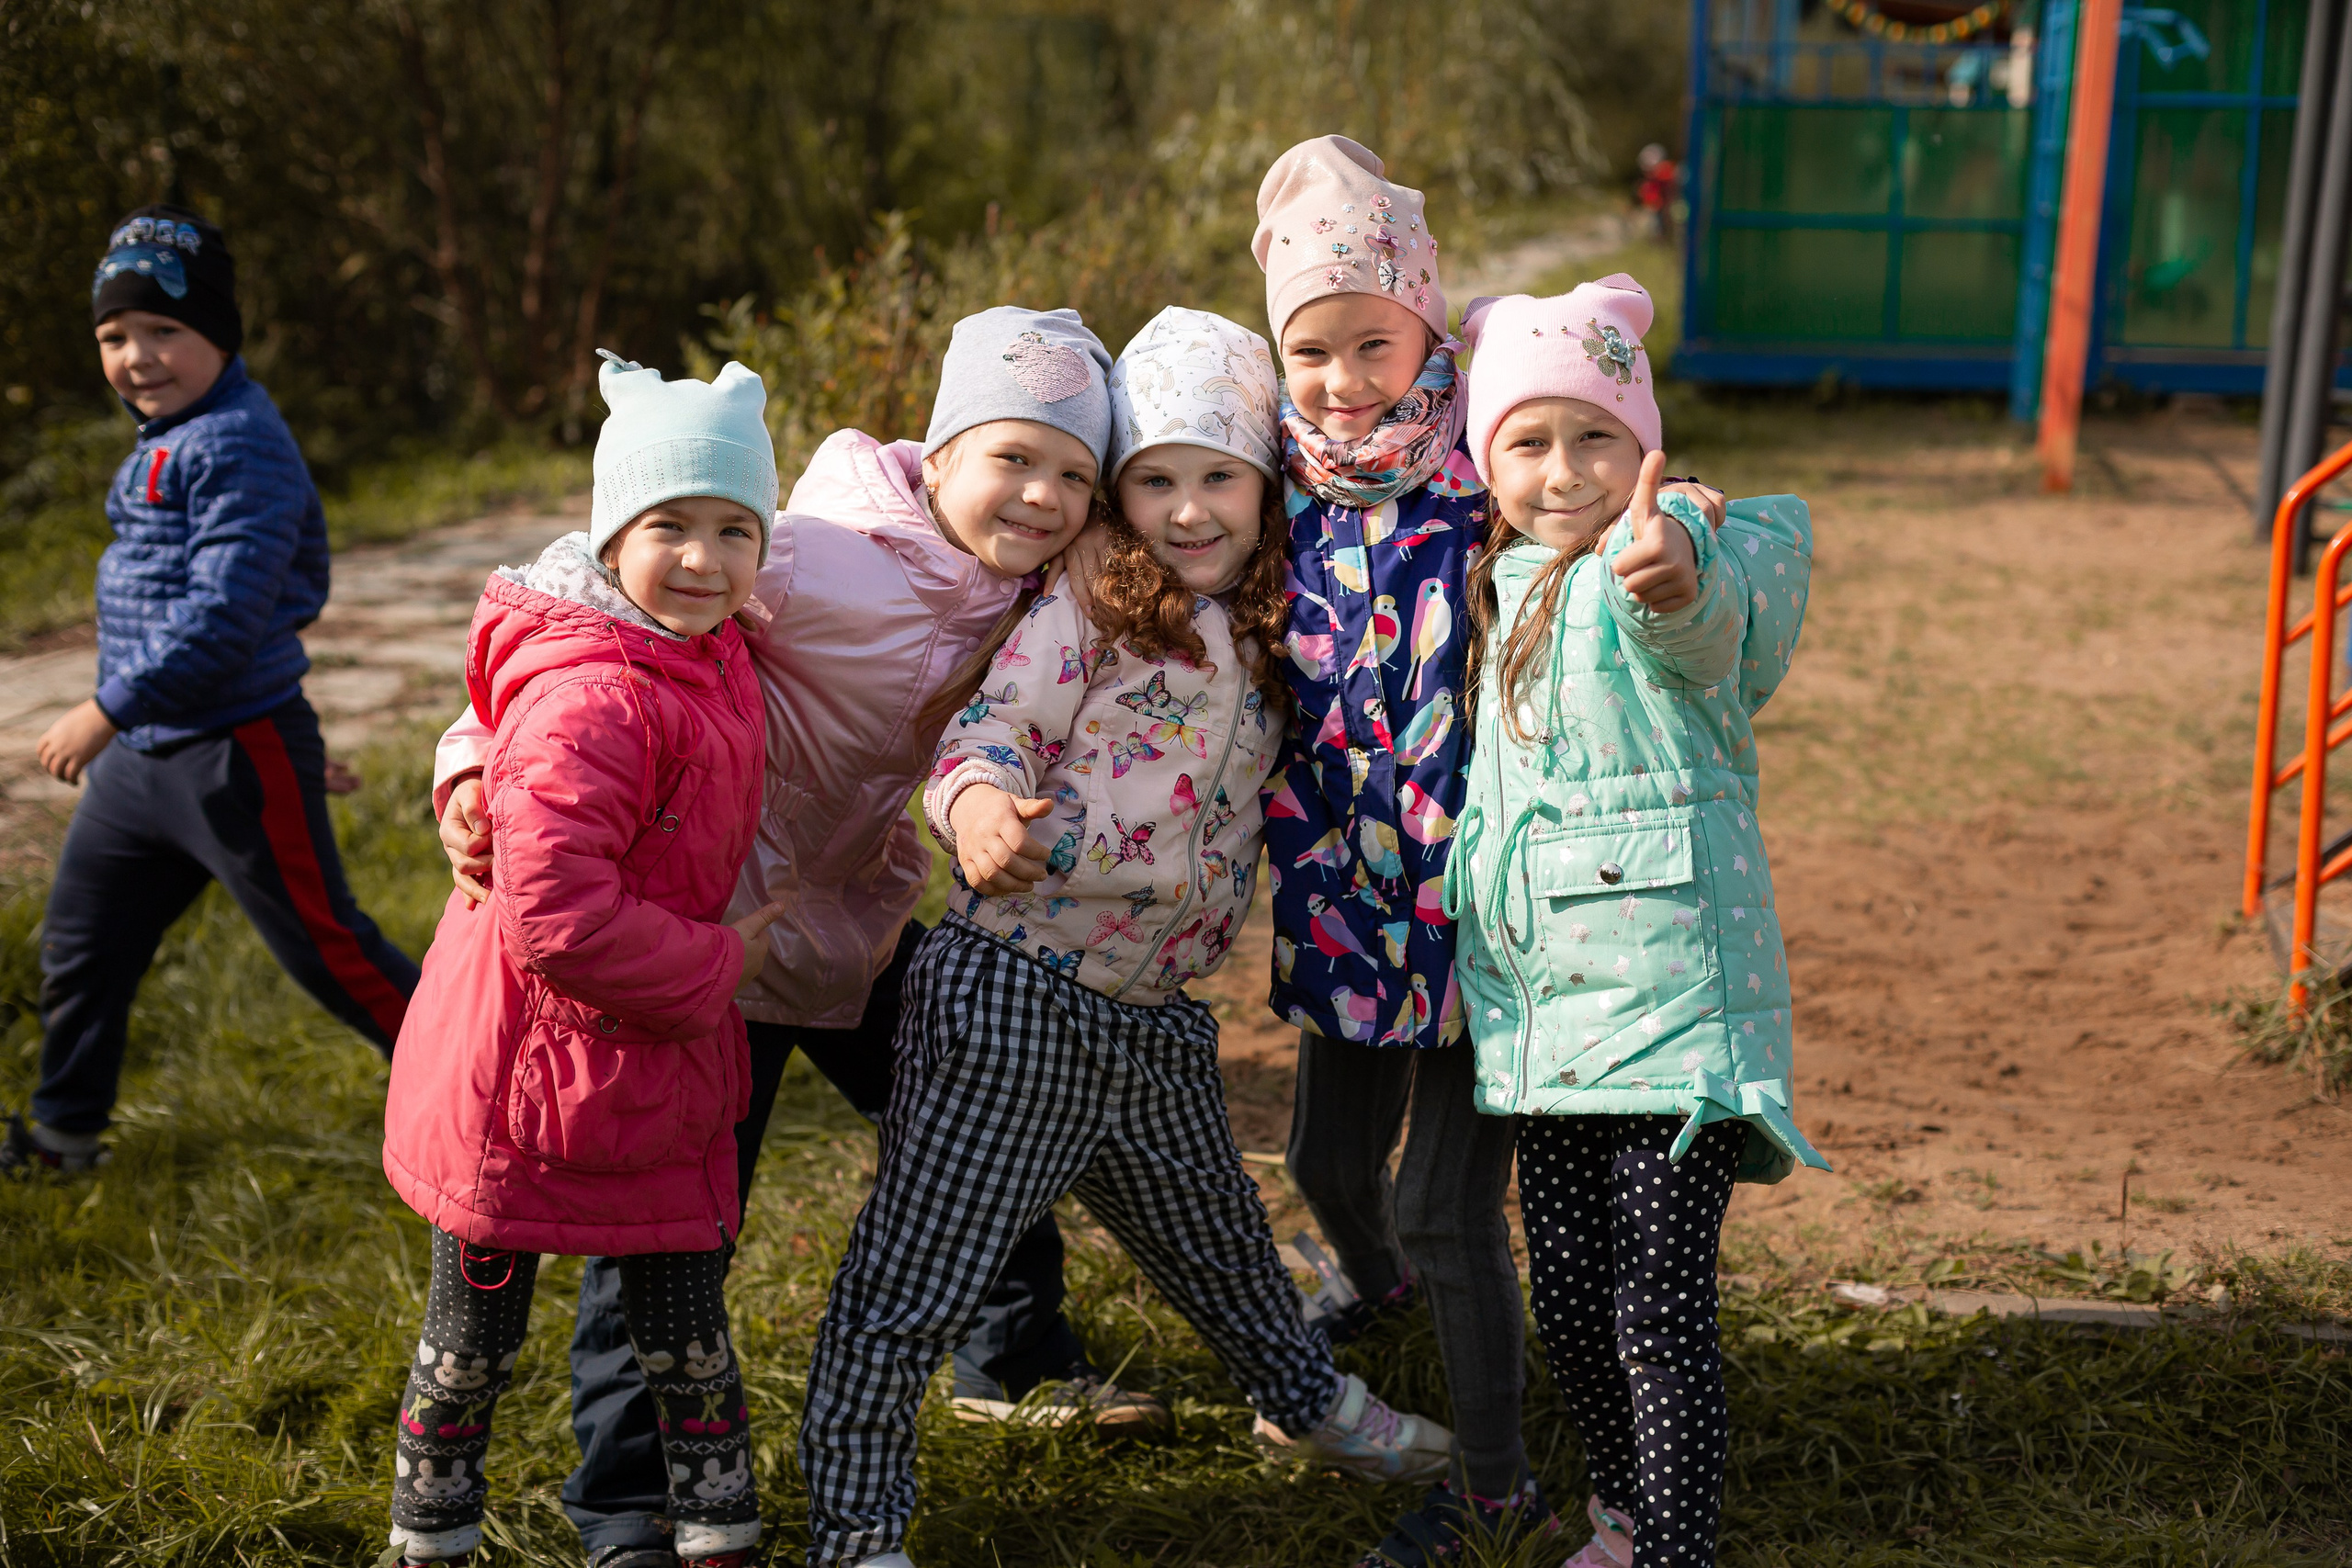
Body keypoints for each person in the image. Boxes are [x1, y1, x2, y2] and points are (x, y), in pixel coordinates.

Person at [428, 308, 1160, 1566]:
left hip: (845, 925)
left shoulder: (1042, 587)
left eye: (1071, 474)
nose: (1040, 495)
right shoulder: (812, 555)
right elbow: (589, 621)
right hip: (694, 946)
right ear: (939, 451)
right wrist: (470, 762)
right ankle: (627, 1504)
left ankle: (1014, 1357)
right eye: (1012, 457)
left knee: (983, 1107)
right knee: (670, 1223)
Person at [799, 306, 1453, 1568]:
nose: (1188, 510)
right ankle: (858, 1528)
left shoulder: (1278, 615)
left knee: (1223, 1246)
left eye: (1220, 478)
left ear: (1266, 486)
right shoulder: (1092, 599)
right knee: (913, 1279)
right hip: (1015, 994)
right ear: (1118, 491)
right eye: (1155, 480)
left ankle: (1310, 1408)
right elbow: (992, 726)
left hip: (1153, 1015)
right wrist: (978, 806)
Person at [1250, 136, 1731, 1566]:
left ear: (1424, 325)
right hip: (1343, 897)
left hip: (1483, 912)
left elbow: (1610, 480)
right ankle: (1387, 1293)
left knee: (1443, 1201)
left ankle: (1498, 1481)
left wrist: (1682, 523)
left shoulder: (1487, 462)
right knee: (1325, 1158)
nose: (1346, 380)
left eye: (1374, 342)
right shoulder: (1276, 483)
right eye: (1314, 349)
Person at [1449, 276, 1830, 1568]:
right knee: (1571, 1302)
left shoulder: (1658, 558)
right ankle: (1620, 1512)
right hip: (1548, 1023)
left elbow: (1707, 634)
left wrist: (1674, 571)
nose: (1564, 470)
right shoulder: (1499, 580)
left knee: (1655, 1312)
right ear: (1486, 458)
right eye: (1528, 440)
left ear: (1644, 446)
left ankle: (1673, 1546)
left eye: (1596, 436)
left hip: (1674, 1021)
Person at [380, 352, 786, 1567]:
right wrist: (719, 961)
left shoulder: (700, 645)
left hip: (639, 1061)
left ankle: (716, 1533)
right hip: (524, 1074)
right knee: (474, 1335)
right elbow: (557, 914)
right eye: (670, 526)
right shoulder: (600, 691)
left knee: (689, 1328)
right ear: (612, 538)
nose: (704, 558)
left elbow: (496, 724)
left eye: (735, 529)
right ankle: (431, 1534)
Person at [3, 205, 420, 1176]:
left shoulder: (238, 442)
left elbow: (226, 614)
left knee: (329, 950)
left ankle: (490, 1092)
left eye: (164, 330)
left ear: (220, 336)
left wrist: (105, 708)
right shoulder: (169, 433)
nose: (138, 357)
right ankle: (64, 1134)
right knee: (83, 944)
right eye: (115, 336)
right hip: (144, 760)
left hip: (230, 752)